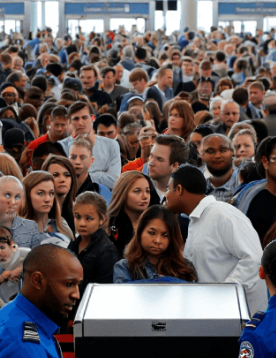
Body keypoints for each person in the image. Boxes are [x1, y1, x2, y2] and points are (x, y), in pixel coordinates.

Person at [166, 165, 267, 311]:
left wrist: (223, 294)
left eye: (169, 189)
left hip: (241, 322)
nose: (166, 195)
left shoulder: (222, 213)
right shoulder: (196, 221)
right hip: (216, 316)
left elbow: (254, 259)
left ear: (180, 189)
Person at [113, 204, 197, 283]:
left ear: (172, 238)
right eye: (152, 233)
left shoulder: (185, 267)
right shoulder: (125, 267)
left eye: (165, 235)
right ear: (140, 232)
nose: (157, 241)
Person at [70, 191, 119, 295]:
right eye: (77, 217)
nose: (82, 223)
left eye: (89, 218)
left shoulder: (106, 250)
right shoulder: (74, 243)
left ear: (102, 219)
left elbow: (104, 291)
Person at [106, 171, 156, 254]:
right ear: (123, 194)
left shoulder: (156, 222)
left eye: (147, 191)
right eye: (137, 191)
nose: (145, 196)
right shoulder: (109, 224)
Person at [0, 226, 29, 305]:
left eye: (2, 247)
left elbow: (38, 262)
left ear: (11, 245)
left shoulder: (23, 253)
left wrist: (18, 269)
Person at [23, 170, 72, 244]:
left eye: (51, 193)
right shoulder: (16, 228)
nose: (47, 199)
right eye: (40, 193)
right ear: (27, 195)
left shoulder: (61, 225)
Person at [201, 133, 241, 202]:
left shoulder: (244, 183)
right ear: (203, 155)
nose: (217, 156)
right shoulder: (193, 181)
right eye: (210, 151)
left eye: (223, 150)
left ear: (232, 152)